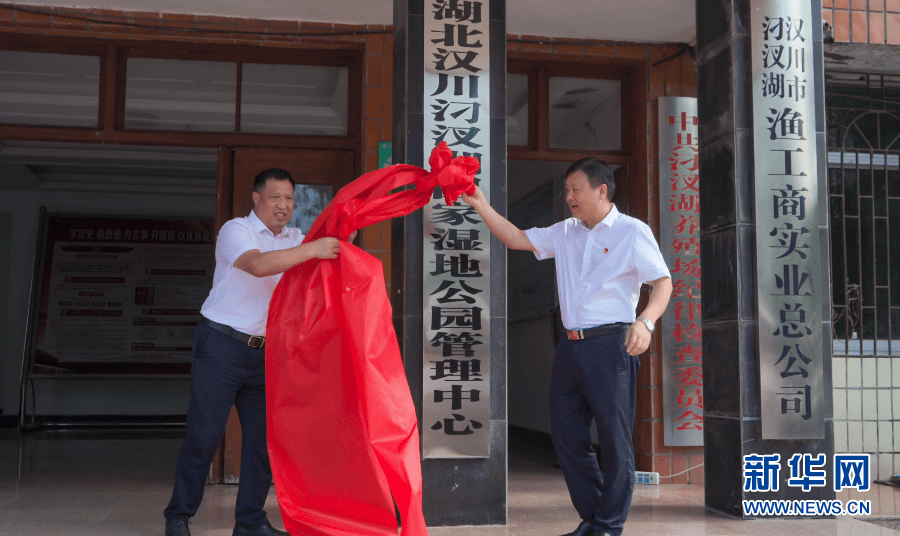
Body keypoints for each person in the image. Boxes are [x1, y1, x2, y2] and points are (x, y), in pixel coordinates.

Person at [462, 158, 672, 536]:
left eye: (576, 189)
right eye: (567, 190)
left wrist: (646, 321)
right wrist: (479, 202)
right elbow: (515, 238)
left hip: (612, 345)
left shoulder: (631, 231)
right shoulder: (565, 231)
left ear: (601, 190)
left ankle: (608, 525)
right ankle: (594, 520)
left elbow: (663, 283)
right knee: (567, 438)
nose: (569, 197)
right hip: (570, 347)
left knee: (614, 439)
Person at [164, 168, 346, 536]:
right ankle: (178, 515)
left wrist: (350, 220)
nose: (284, 205)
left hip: (267, 355)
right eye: (276, 197)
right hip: (221, 345)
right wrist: (314, 249)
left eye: (290, 198)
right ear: (257, 198)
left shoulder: (295, 237)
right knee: (205, 435)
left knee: (264, 443)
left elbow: (339, 242)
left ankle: (249, 522)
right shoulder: (236, 231)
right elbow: (259, 266)